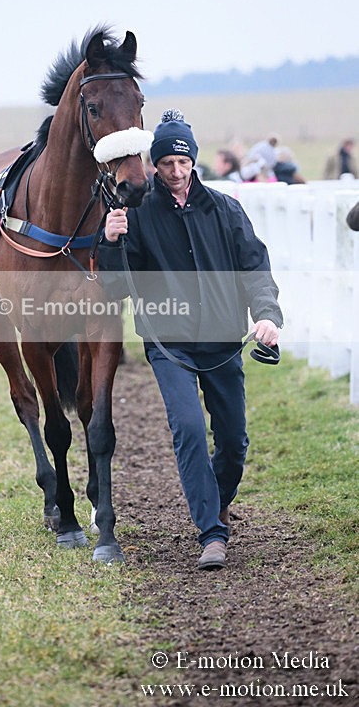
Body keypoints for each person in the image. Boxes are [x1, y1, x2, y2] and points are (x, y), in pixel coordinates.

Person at [98, 109, 283, 571]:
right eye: (166, 164)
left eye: (184, 163)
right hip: (168, 345)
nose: (177, 173)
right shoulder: (136, 217)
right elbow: (116, 289)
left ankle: (215, 502)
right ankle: (212, 532)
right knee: (190, 430)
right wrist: (110, 243)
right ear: (154, 166)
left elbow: (254, 267)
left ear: (194, 161)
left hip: (223, 343)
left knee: (235, 443)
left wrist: (267, 316)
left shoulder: (225, 210)